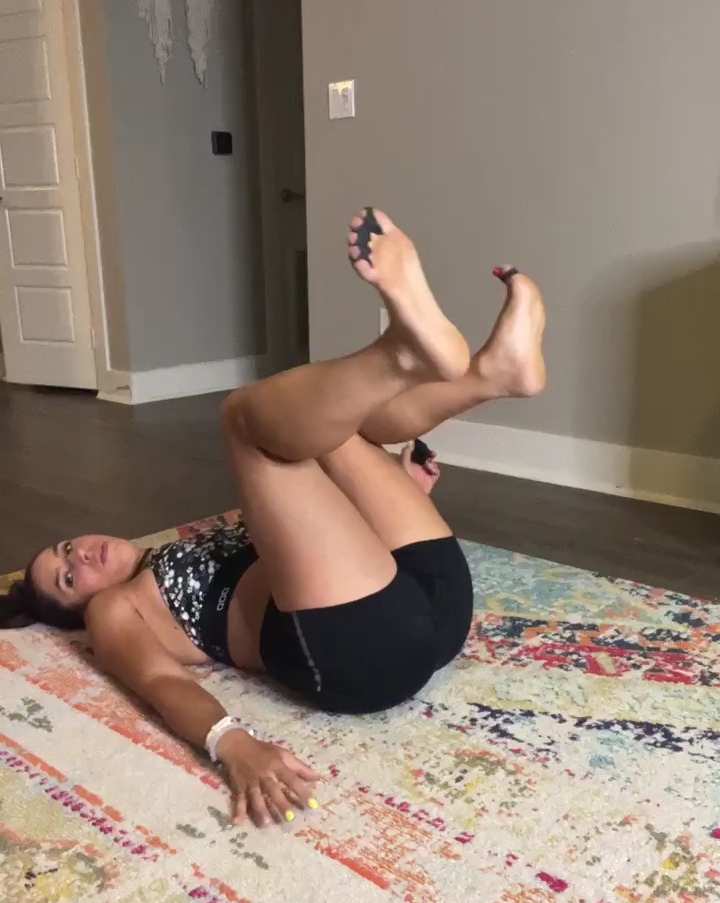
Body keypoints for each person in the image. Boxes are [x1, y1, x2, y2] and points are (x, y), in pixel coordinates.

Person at [0, 210, 545, 828]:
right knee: (245, 420)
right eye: (69, 578)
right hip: (359, 658)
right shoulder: (115, 609)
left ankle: (489, 374)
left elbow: (315, 548)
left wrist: (391, 496)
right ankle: (404, 355)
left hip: (429, 600)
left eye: (66, 547)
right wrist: (232, 743)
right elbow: (157, 681)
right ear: (80, 609)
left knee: (334, 430)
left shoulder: (181, 547)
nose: (79, 556)